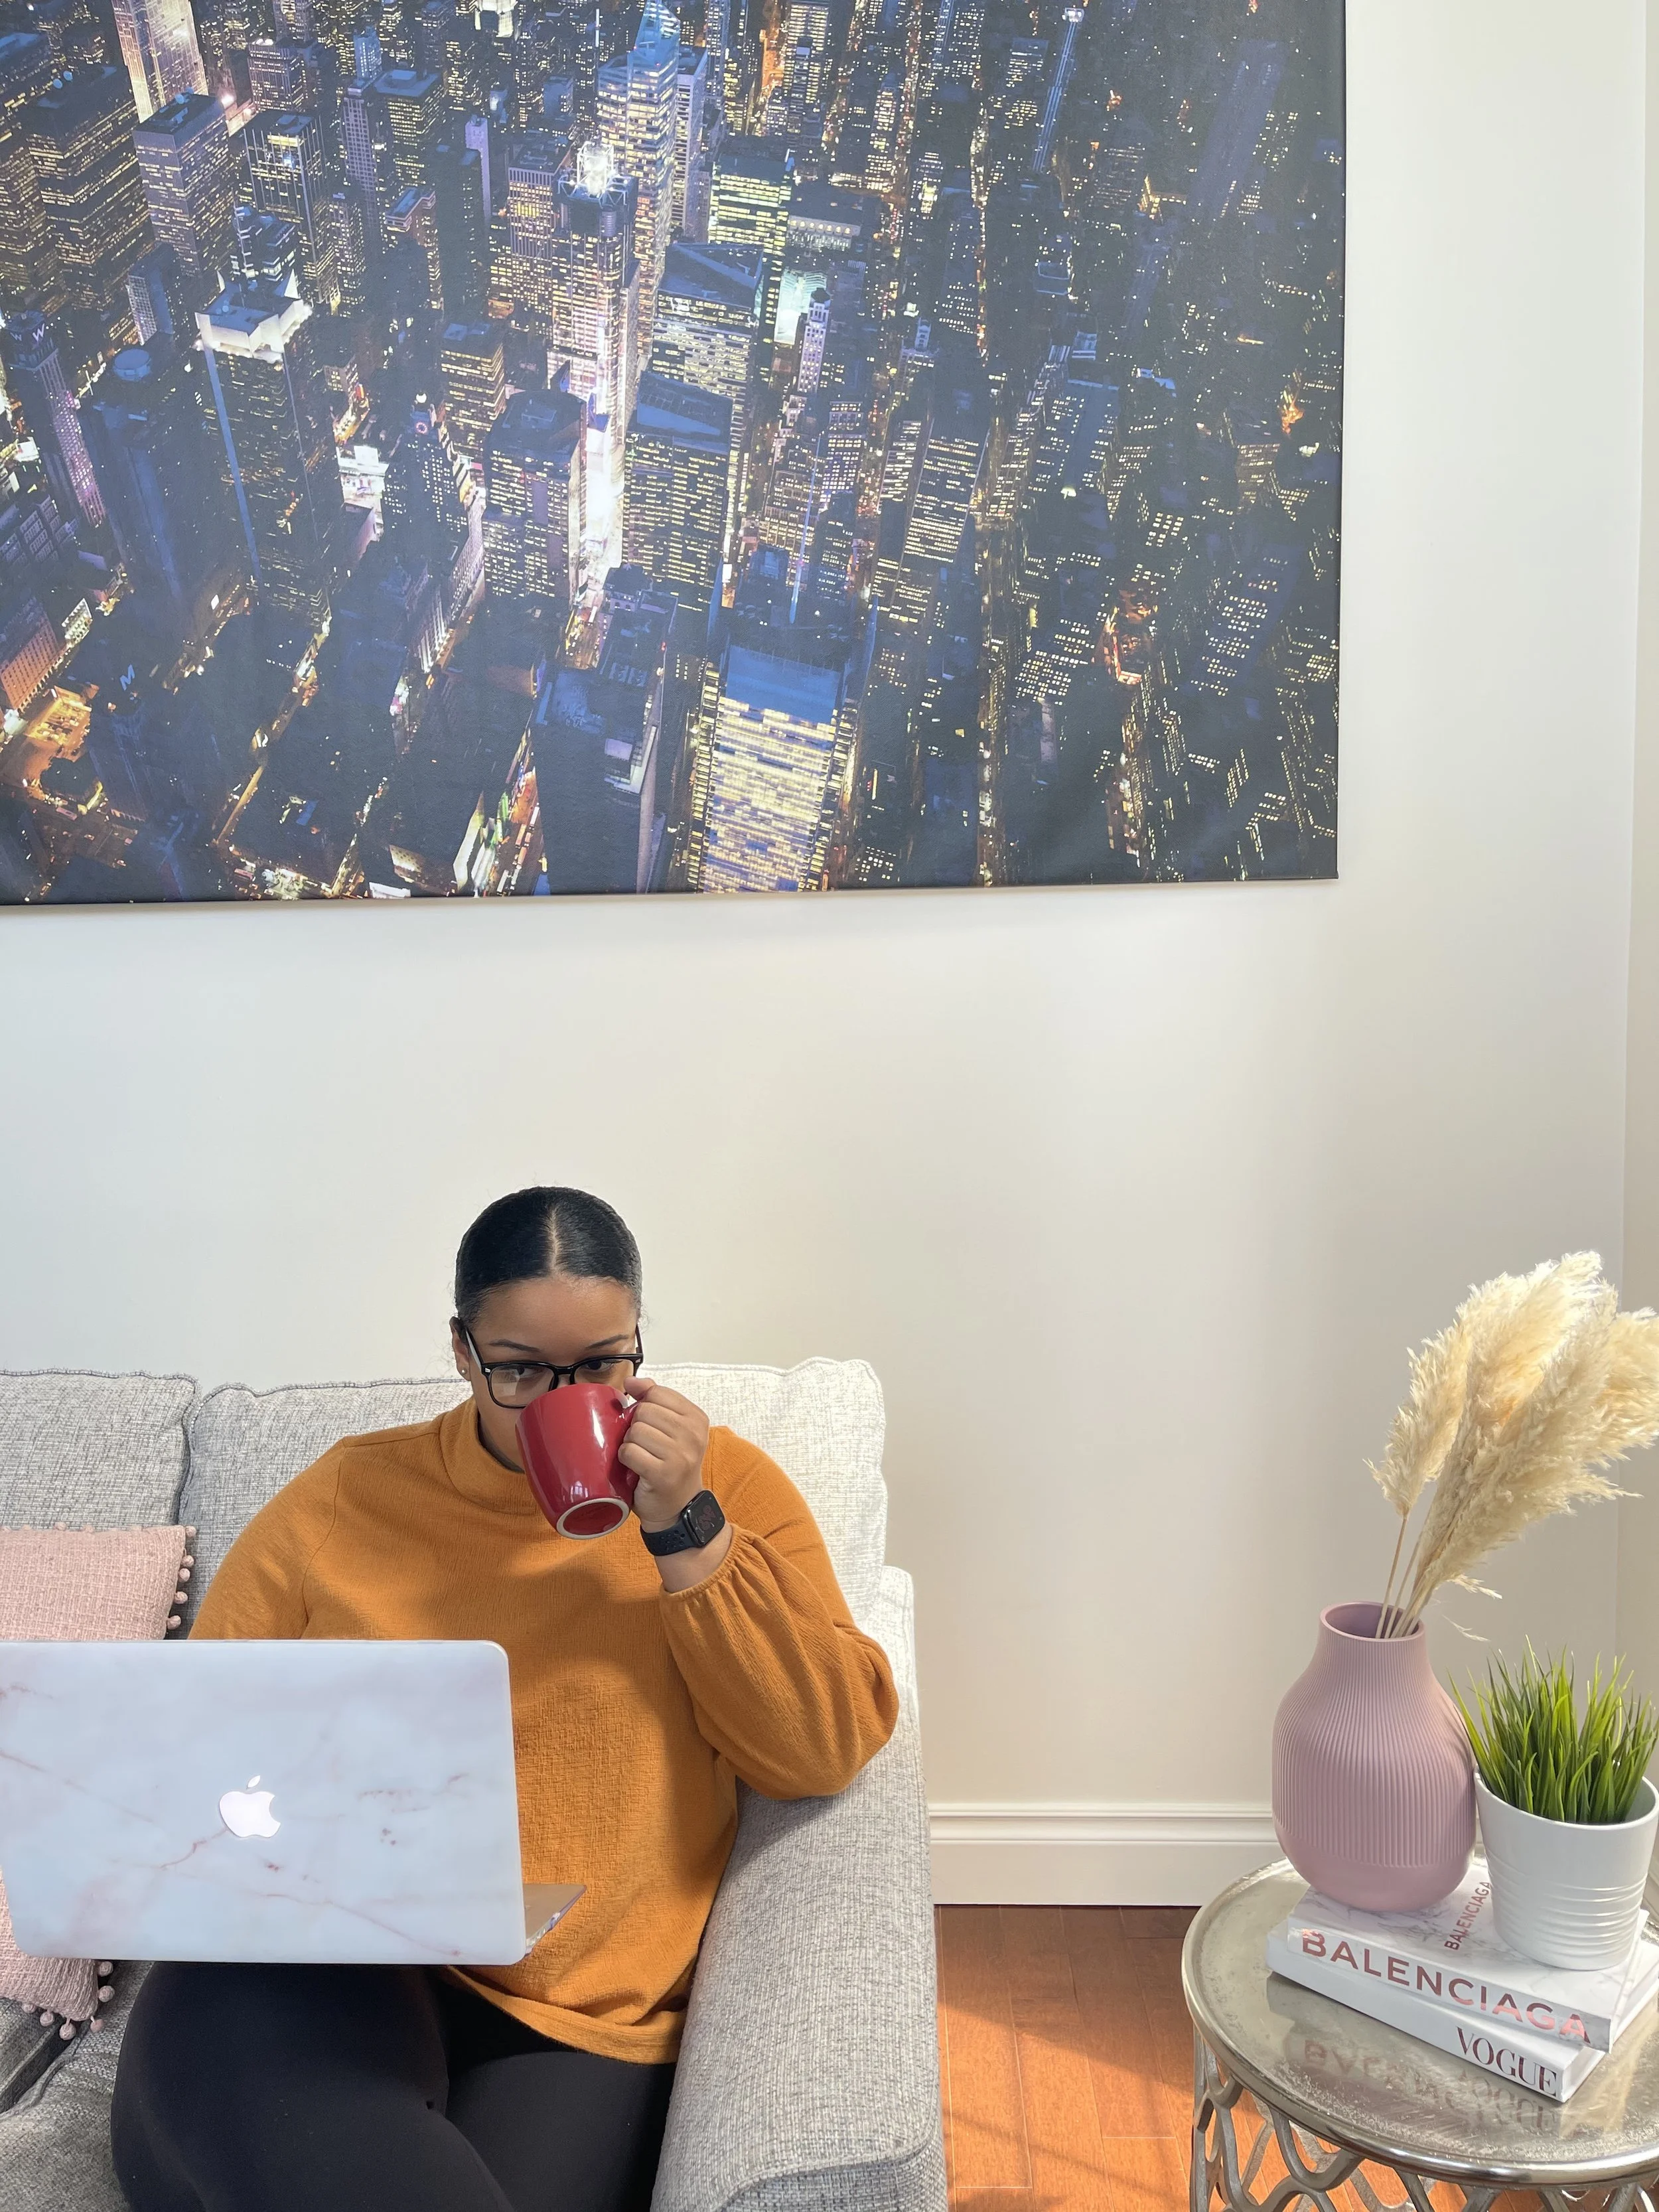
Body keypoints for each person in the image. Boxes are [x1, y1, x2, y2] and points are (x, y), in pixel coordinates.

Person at [111, 1186, 898, 2212]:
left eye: (604, 1364)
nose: (565, 1399)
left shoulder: (726, 1491)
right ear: (461, 1352)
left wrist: (685, 1533)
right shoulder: (344, 1500)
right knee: (244, 2086)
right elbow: (198, 1742)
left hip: (574, 2012)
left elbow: (819, 1750)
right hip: (334, 1963)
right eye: (520, 1370)